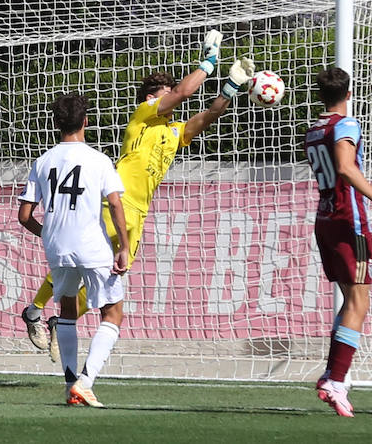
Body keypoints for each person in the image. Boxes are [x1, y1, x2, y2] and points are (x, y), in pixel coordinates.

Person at [21, 30, 254, 357]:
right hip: (114, 203)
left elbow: (211, 115)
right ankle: (35, 308)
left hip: (140, 212)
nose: (172, 94)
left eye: (171, 91)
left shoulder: (174, 131)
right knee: (79, 259)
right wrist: (209, 62)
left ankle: (61, 320)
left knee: (114, 271)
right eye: (166, 91)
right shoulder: (144, 114)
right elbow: (186, 92)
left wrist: (231, 85)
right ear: (152, 97)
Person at [303, 66, 372, 417]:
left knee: (351, 299)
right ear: (349, 93)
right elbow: (346, 169)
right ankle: (336, 380)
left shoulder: (315, 129)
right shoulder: (346, 124)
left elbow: (338, 176)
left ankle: (332, 376)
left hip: (327, 217)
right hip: (350, 222)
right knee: (359, 301)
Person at [18, 92, 129, 406]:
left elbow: (24, 216)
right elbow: (116, 203)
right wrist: (122, 246)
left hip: (58, 247)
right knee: (112, 313)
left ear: (56, 124)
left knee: (66, 311)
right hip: (92, 245)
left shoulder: (43, 161)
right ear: (85, 122)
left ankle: (70, 383)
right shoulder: (98, 159)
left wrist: (48, 234)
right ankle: (85, 381)